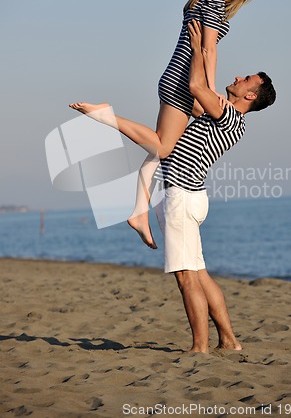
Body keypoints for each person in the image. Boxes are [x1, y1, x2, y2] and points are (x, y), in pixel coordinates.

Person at [70, 20, 276, 352]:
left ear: (250, 95)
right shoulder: (230, 119)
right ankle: (229, 340)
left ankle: (200, 347)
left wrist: (197, 49)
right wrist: (209, 51)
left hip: (181, 198)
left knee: (187, 278)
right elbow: (197, 92)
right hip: (192, 198)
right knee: (200, 273)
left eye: (246, 79)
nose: (239, 77)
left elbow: (196, 86)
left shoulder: (225, 115)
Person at [70, 0, 259, 250]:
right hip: (184, 82)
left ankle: (138, 213)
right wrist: (209, 89)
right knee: (162, 147)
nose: (240, 3)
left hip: (177, 77)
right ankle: (106, 116)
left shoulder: (199, 0)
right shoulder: (216, 2)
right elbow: (208, 48)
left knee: (163, 148)